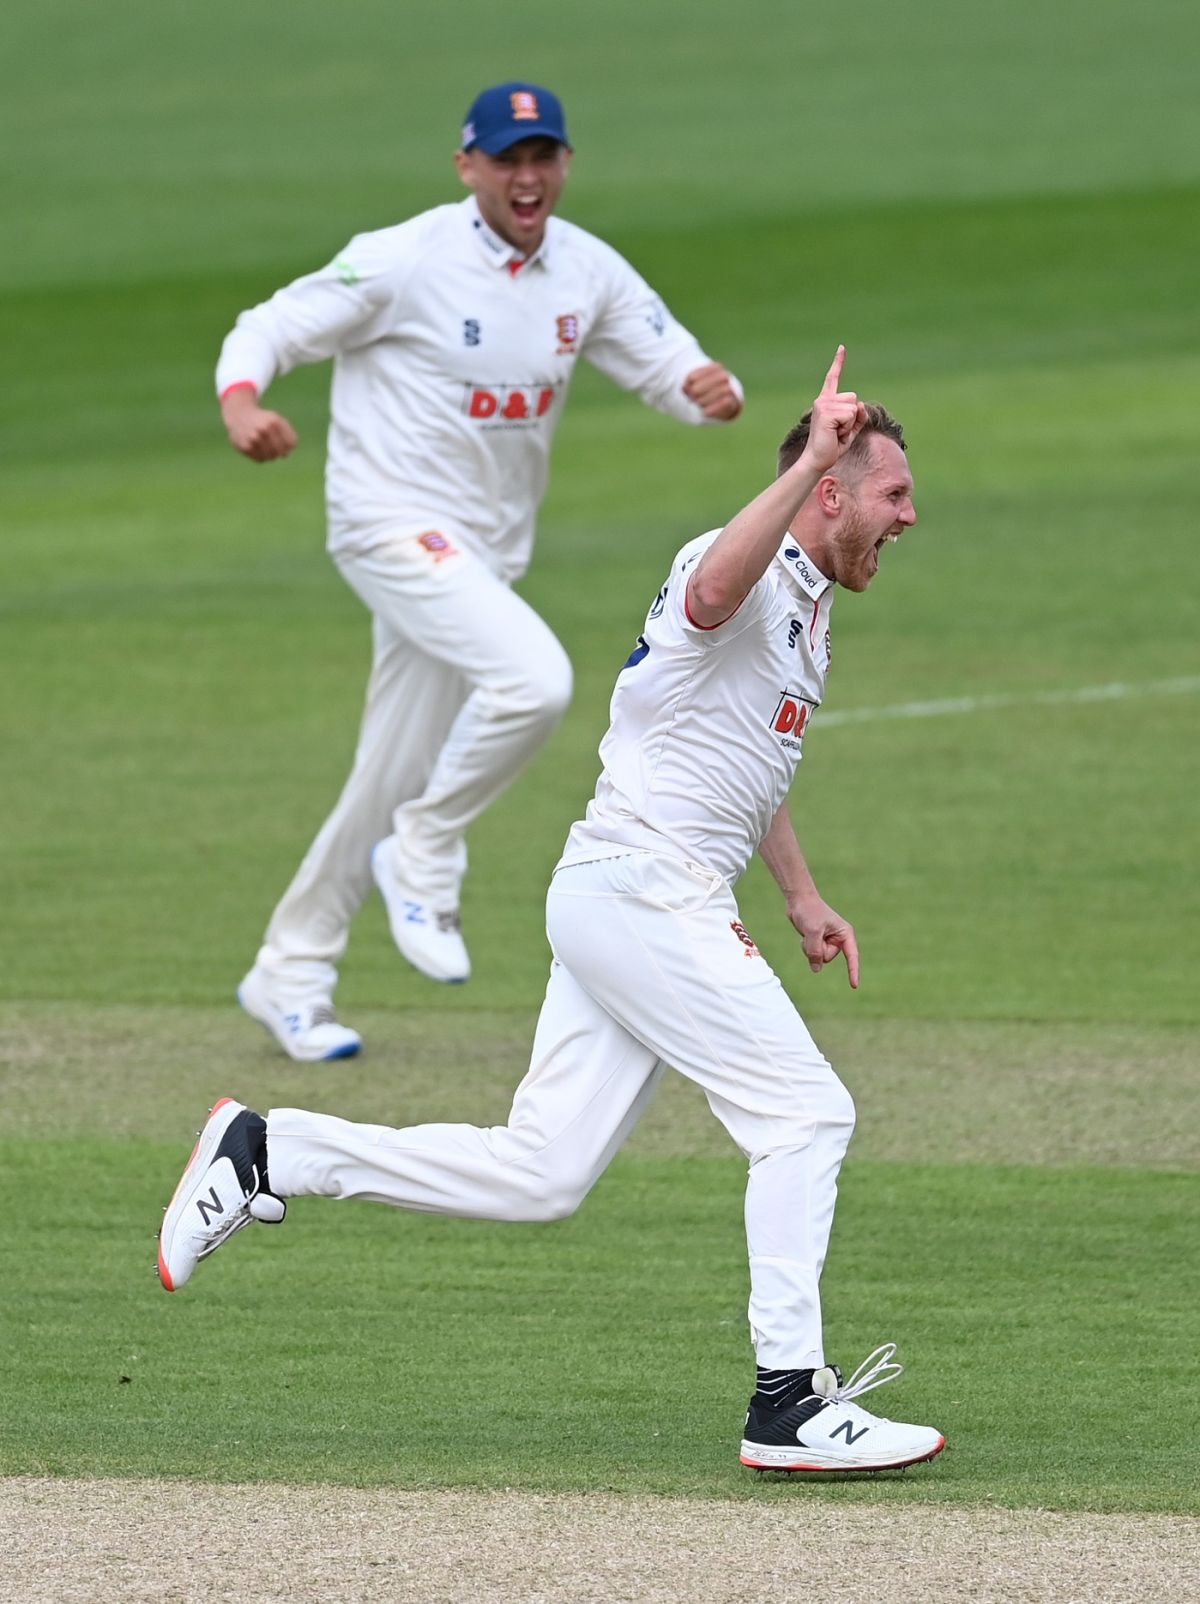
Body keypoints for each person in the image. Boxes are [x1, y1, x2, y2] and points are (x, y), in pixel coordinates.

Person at [159, 349, 945, 1474]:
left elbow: (746, 763)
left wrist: (802, 892)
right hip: (642, 888)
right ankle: (787, 1400)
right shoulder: (743, 568)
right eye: (893, 494)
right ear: (830, 489)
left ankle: (271, 1147)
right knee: (806, 1114)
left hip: (629, 894)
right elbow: (716, 589)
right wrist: (810, 455)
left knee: (541, 1171)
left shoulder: (812, 608)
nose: (910, 514)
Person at [216, 81, 743, 1062]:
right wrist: (242, 400)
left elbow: (670, 362)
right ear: (469, 168)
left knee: (389, 769)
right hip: (387, 523)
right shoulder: (406, 258)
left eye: (543, 155)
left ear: (565, 165)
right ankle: (426, 852)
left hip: (483, 554)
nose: (527, 175)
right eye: (507, 158)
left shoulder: (585, 270)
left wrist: (711, 393)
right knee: (534, 681)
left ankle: (291, 966)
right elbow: (272, 323)